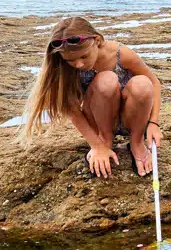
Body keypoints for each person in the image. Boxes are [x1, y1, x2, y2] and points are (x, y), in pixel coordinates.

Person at [19, 17, 163, 178]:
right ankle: (104, 140)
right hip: (99, 120)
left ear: (98, 40)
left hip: (131, 118)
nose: (79, 64)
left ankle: (136, 143)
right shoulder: (64, 68)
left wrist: (153, 123)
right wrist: (96, 145)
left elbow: (154, 82)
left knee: (142, 83)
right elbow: (71, 108)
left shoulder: (120, 54)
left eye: (84, 56)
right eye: (70, 60)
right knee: (106, 80)